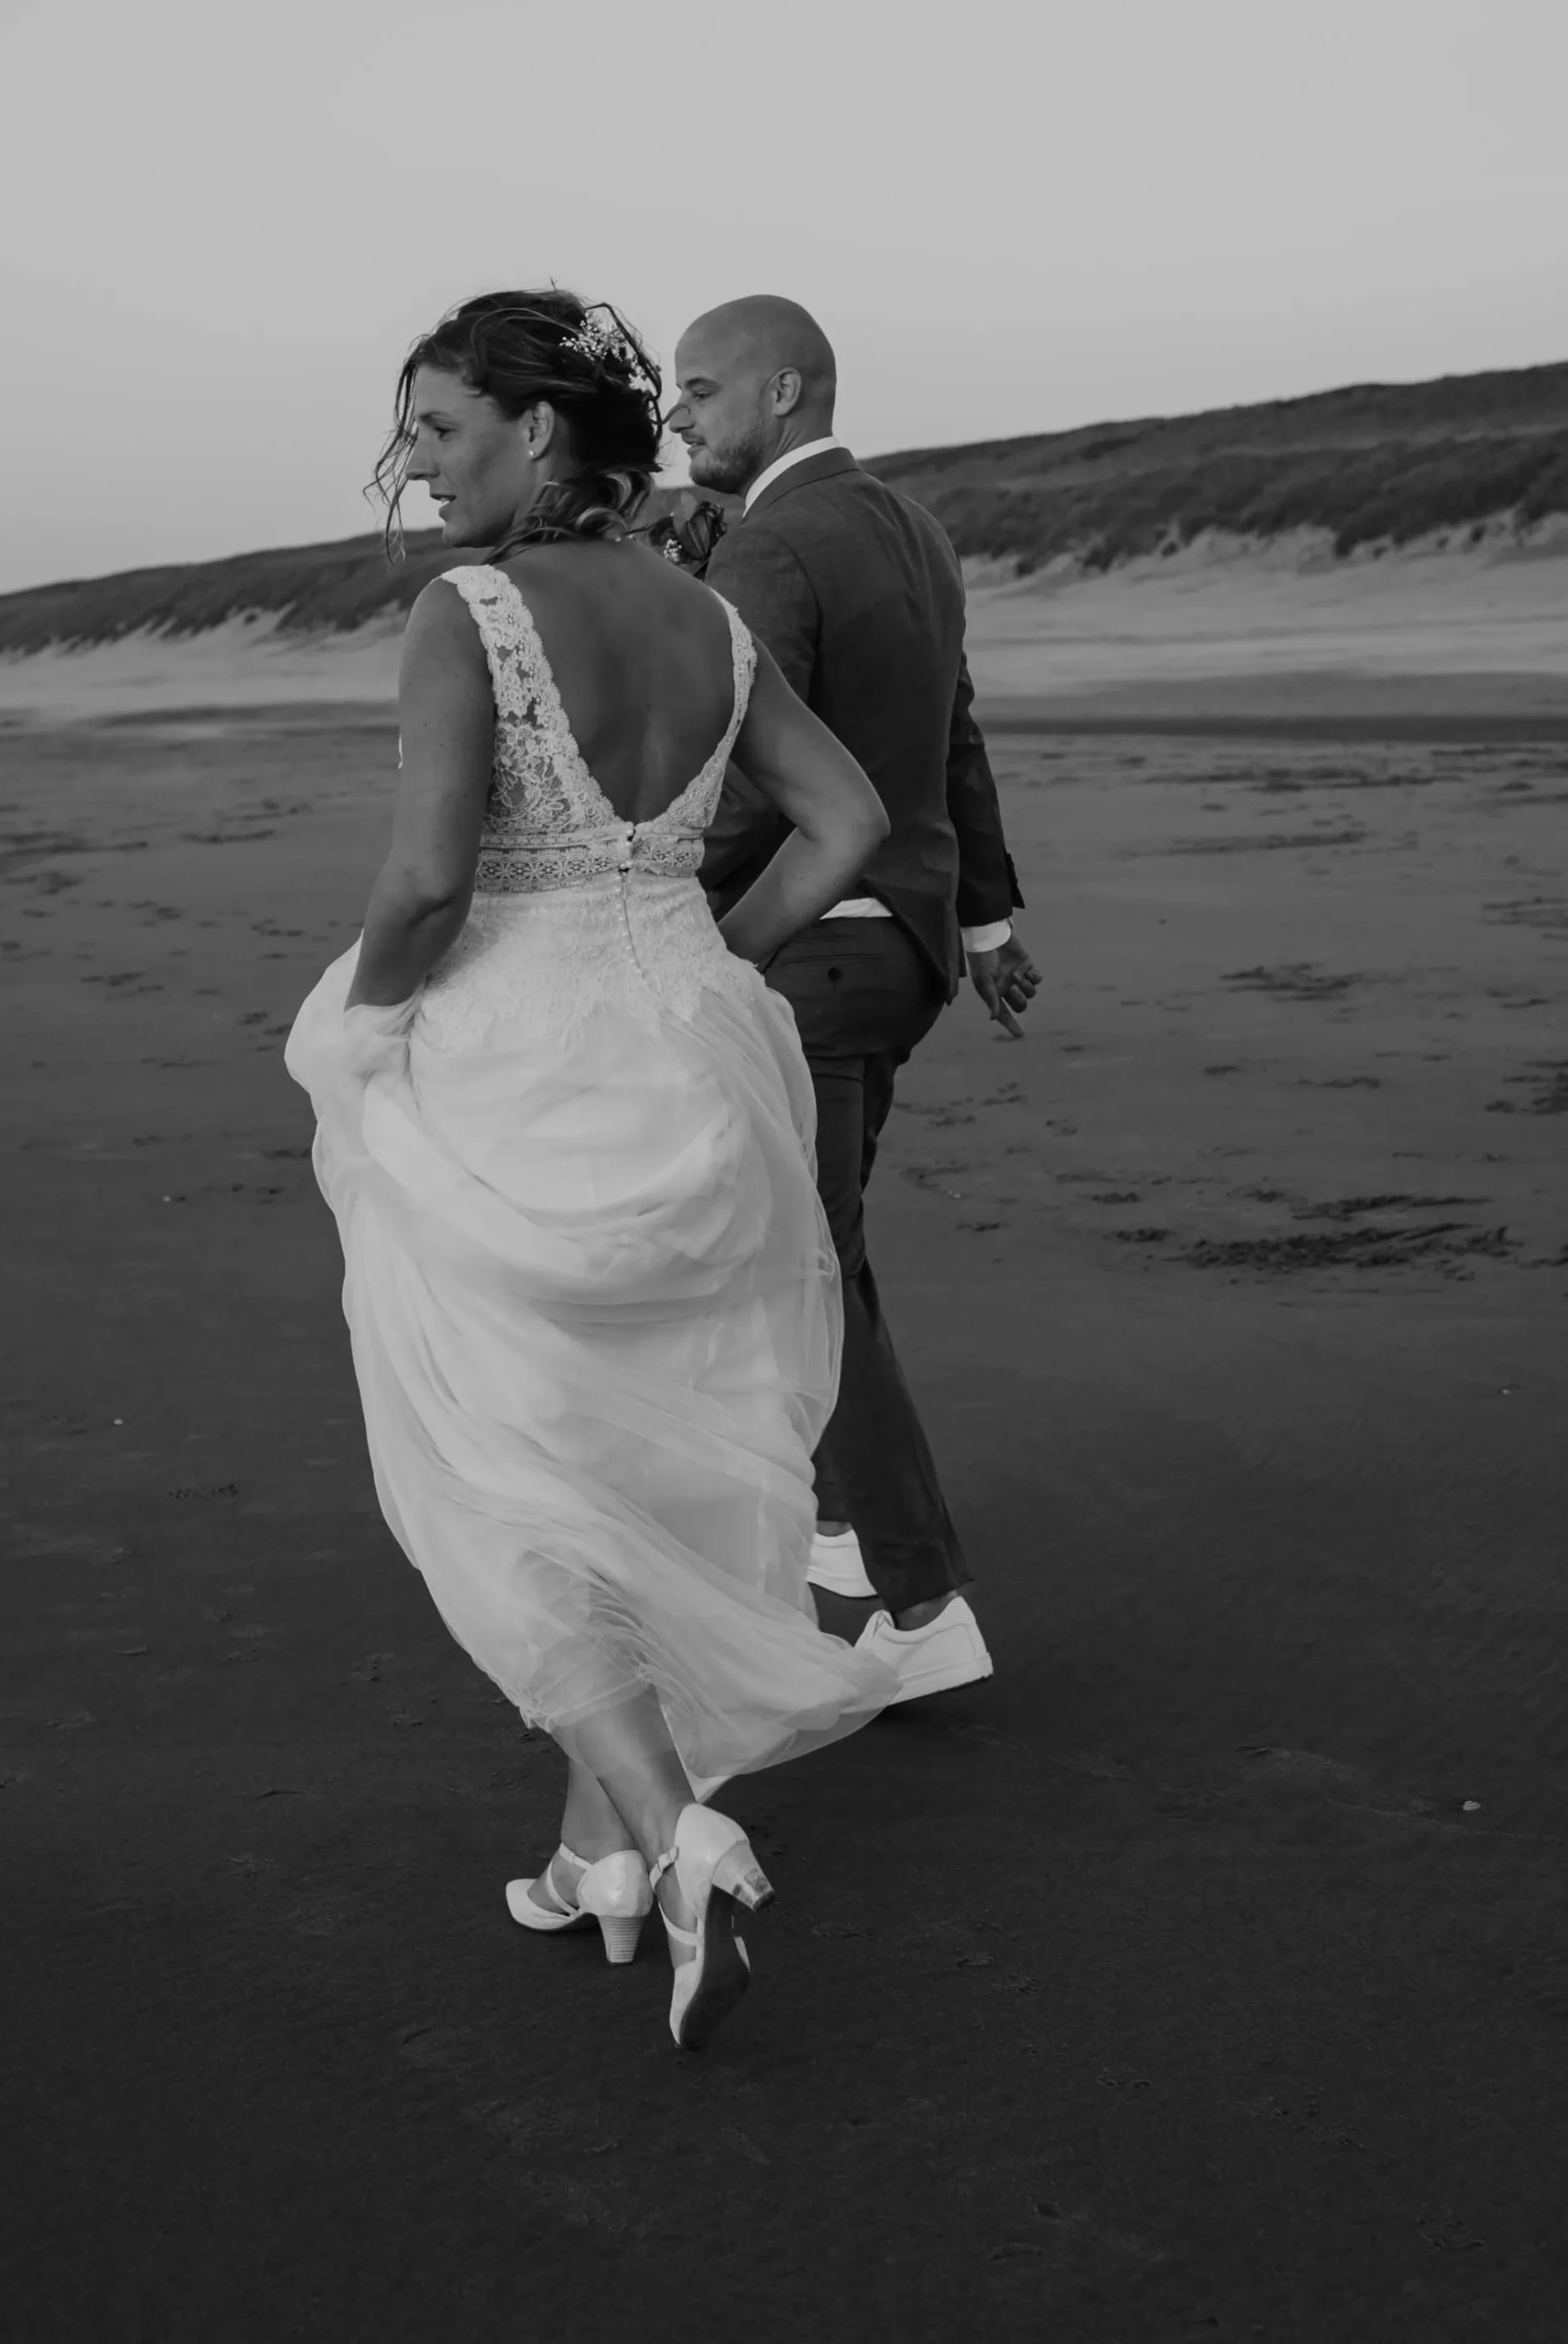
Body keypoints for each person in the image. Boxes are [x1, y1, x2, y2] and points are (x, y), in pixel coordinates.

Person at [285, 287, 902, 2056]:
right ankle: (599, 1865)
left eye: (439, 431)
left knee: (507, 1461)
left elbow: (417, 888)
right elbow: (847, 817)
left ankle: (674, 1821)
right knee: (641, 1457)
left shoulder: (465, 614)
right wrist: (709, 946)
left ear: (537, 434)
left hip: (512, 1064)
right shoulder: (707, 613)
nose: (411, 470)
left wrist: (362, 1037)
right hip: (684, 1059)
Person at [665, 296, 1040, 1702]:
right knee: (828, 1251)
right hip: (909, 952)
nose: (683, 418)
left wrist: (665, 906)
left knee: (808, 1273)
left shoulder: (771, 544)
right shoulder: (915, 530)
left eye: (702, 391)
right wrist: (989, 917)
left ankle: (921, 1599)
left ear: (786, 387)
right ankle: (833, 1522)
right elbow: (955, 734)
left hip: (818, 949)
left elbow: (751, 771)